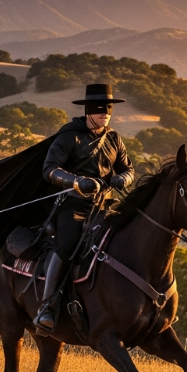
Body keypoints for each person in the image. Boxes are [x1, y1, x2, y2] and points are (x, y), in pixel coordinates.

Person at [33, 83, 135, 331]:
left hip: (105, 206)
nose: (106, 113)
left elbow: (129, 169)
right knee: (67, 245)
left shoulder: (114, 139)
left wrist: (124, 179)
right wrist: (77, 182)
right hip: (73, 206)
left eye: (109, 109)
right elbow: (50, 170)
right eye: (101, 109)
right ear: (88, 110)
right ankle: (47, 307)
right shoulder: (69, 137)